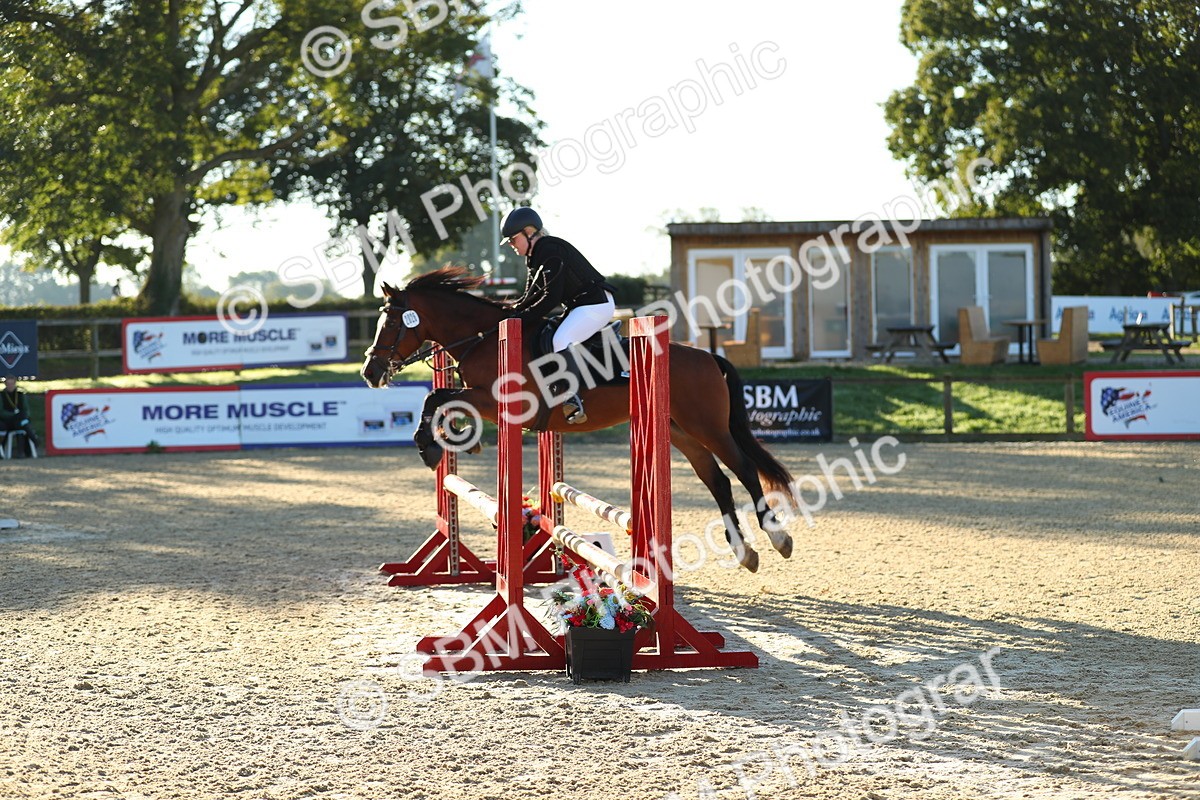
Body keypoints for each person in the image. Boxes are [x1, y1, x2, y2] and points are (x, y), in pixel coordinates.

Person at [501, 206, 617, 424]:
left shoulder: (550, 250)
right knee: (548, 334)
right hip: (580, 306)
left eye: (513, 239)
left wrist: (519, 319)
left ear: (529, 232)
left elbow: (550, 298)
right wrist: (511, 312)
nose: (510, 244)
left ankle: (571, 397)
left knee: (561, 339)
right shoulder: (535, 256)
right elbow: (530, 296)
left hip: (596, 305)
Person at [1, 375, 39, 454]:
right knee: (21, 419)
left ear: (15, 384)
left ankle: (21, 452)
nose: (10, 386)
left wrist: (19, 415)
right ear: (5, 384)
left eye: (12, 384)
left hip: (19, 421)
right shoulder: (2, 395)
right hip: (8, 421)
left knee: (21, 420)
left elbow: (26, 409)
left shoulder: (20, 394)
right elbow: (1, 412)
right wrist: (14, 415)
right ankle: (34, 439)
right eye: (8, 384)